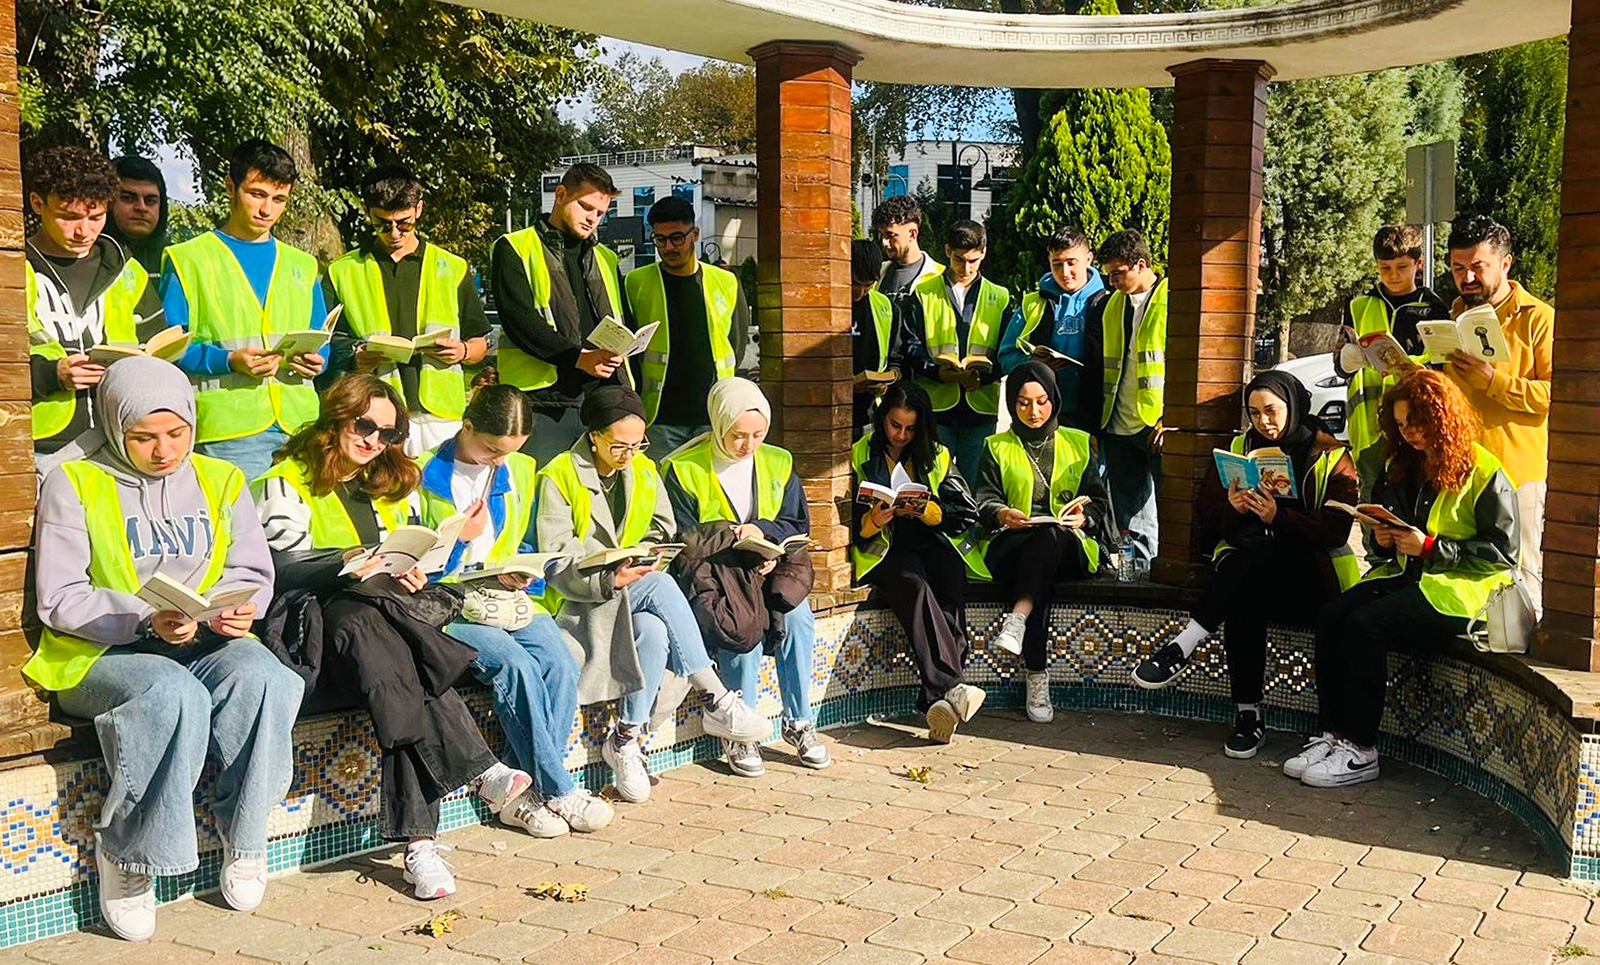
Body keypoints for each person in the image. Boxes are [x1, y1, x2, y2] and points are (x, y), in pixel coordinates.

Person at [24, 357, 296, 941]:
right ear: (114, 425)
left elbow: (250, 566)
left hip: (199, 639)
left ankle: (245, 837)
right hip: (97, 655)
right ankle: (128, 858)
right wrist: (145, 620)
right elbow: (60, 596)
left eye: (177, 433)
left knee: (267, 678)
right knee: (171, 693)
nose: (163, 450)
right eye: (142, 436)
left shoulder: (220, 479)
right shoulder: (74, 482)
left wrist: (238, 605)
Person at [252, 374, 530, 899]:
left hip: (380, 629)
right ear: (338, 415)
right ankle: (475, 772)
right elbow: (279, 568)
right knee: (374, 628)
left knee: (393, 661)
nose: (372, 440)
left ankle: (420, 843)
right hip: (314, 624)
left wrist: (414, 568)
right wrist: (346, 562)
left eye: (386, 432)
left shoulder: (386, 478)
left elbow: (410, 551)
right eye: (364, 426)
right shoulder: (286, 477)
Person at [536, 385, 769, 802]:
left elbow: (662, 530)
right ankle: (715, 696)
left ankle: (625, 739)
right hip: (582, 602)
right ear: (593, 436)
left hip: (632, 590)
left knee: (655, 632)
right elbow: (556, 560)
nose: (631, 453)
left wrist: (647, 555)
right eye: (620, 445)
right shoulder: (558, 475)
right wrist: (610, 575)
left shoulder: (642, 468)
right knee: (660, 586)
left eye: (639, 443)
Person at [1292, 370, 1518, 788]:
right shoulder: (1400, 466)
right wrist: (1383, 540)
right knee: (1332, 616)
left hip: (1462, 592)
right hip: (1408, 574)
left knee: (1366, 624)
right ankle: (1332, 736)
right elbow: (1391, 546)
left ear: (1442, 416)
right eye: (1399, 425)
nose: (1409, 433)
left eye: (1416, 422)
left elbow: (1502, 555)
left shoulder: (1485, 470)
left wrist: (1431, 548)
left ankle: (1361, 750)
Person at [415, 385, 614, 837]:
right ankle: (559, 789)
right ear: (466, 426)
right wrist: (459, 541)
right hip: (450, 604)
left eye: (510, 451)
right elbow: (417, 564)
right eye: (490, 449)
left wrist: (525, 573)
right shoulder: (422, 473)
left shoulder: (518, 469)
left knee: (561, 661)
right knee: (516, 666)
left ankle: (531, 794)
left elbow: (524, 543)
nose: (499, 461)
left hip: (507, 596)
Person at [1131, 371, 1360, 758]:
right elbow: (1208, 517)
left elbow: (1336, 531)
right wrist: (1233, 510)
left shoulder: (1330, 455)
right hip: (1253, 574)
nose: (1263, 423)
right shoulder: (1240, 447)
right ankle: (1247, 717)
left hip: (1310, 577)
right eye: (1254, 413)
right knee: (1244, 592)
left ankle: (1184, 646)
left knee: (1250, 566)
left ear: (1294, 405)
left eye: (1271, 411)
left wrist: (1279, 518)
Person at [662, 377, 830, 776]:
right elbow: (681, 537)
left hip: (770, 566)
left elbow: (796, 522)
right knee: (742, 627)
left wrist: (767, 537)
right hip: (717, 576)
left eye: (758, 434)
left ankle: (799, 721)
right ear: (718, 426)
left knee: (799, 618)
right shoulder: (682, 468)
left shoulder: (779, 461)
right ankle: (741, 732)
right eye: (738, 435)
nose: (748, 445)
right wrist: (734, 539)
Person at [161, 139, 330, 481]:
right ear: (230, 187)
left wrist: (317, 360)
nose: (267, 209)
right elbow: (166, 349)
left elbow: (320, 337)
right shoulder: (188, 259)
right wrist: (229, 360)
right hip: (228, 431)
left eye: (279, 199)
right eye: (256, 194)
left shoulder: (303, 264)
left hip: (302, 424)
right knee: (240, 533)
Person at [851, 382, 988, 742]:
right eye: (894, 425)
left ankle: (937, 702)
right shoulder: (858, 453)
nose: (900, 435)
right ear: (883, 420)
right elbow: (847, 526)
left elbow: (964, 513)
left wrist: (933, 512)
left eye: (910, 429)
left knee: (950, 575)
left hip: (930, 539)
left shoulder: (936, 454)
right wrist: (874, 521)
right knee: (913, 583)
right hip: (885, 548)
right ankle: (952, 687)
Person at [976, 362, 1112, 723]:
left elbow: (1099, 502)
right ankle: (1036, 675)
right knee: (1040, 568)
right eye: (1022, 403)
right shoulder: (996, 445)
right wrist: (1002, 514)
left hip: (1069, 543)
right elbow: (983, 499)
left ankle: (1018, 623)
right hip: (1012, 542)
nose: (1033, 412)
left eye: (1041, 402)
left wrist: (1085, 517)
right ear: (1011, 404)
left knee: (1050, 538)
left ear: (1055, 400)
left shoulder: (1079, 442)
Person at [325, 166, 491, 454]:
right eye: (382, 223)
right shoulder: (342, 271)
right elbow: (328, 343)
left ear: (419, 209)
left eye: (404, 223)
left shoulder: (452, 267)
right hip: (373, 417)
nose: (394, 232)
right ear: (367, 211)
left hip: (441, 416)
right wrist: (356, 356)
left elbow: (479, 345)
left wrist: (462, 351)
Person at [1443, 216, 1551, 617]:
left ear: (1505, 264)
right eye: (1457, 268)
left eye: (1477, 267)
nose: (1467, 277)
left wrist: (1493, 381)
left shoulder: (1539, 319)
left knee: (1523, 573)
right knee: (1469, 569)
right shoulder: (1451, 315)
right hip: (1462, 471)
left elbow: (1557, 396)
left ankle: (1523, 657)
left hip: (1517, 472)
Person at [25, 147, 164, 455]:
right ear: (37, 203)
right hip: (38, 444)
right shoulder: (12, 269)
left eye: (96, 216)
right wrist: (52, 375)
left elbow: (159, 350)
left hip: (122, 440)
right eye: (68, 216)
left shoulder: (128, 272)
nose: (83, 231)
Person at [491, 163, 627, 463]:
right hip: (544, 402)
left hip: (602, 400)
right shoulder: (514, 247)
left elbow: (621, 320)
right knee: (542, 497)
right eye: (586, 207)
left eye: (600, 213)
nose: (592, 218)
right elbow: (520, 321)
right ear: (561, 195)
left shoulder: (605, 256)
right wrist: (579, 358)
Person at [624, 195, 748, 453]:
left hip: (713, 417)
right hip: (659, 417)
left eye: (677, 237)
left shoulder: (725, 282)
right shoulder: (635, 282)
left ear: (695, 234)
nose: (669, 247)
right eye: (660, 239)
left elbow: (736, 345)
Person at [1333, 224, 1451, 488]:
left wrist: (1416, 367)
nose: (1393, 275)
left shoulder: (1433, 308)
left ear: (1418, 264)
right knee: (1372, 505)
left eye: (1402, 267)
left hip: (1417, 425)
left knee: (1415, 500)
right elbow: (1340, 366)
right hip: (1368, 427)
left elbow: (1444, 367)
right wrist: (1348, 358)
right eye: (1385, 268)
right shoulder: (1359, 306)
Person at [1084, 229, 1168, 571]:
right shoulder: (1109, 305)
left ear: (1142, 264)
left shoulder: (1172, 298)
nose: (1112, 280)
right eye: (1108, 273)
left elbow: (1186, 365)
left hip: (1157, 424)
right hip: (1117, 421)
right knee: (1128, 510)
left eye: (1118, 272)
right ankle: (1140, 571)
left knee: (1168, 504)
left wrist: (1170, 418)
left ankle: (1165, 568)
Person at [904, 220, 1012, 480]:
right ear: (947, 251)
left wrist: (983, 376)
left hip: (980, 407)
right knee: (931, 483)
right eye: (959, 259)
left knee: (975, 485)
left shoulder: (1001, 297)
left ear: (984, 252)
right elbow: (911, 346)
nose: (966, 268)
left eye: (973, 261)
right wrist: (938, 373)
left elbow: (1007, 353)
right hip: (935, 407)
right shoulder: (922, 293)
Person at [997, 226, 1106, 432]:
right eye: (1057, 264)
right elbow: (1006, 355)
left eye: (1071, 263)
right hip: (1042, 411)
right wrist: (1032, 363)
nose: (1065, 272)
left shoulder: (1107, 302)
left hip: (1094, 410)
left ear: (1089, 259)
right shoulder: (1032, 303)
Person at [850, 239, 899, 432]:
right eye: (854, 283)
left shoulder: (886, 307)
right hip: (829, 411)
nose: (859, 292)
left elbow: (897, 359)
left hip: (871, 415)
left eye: (868, 285)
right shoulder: (826, 305)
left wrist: (888, 380)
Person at [106, 155, 170, 279]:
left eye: (150, 201)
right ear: (108, 201)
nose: (141, 207)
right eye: (128, 198)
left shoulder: (172, 260)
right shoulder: (85, 258)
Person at [872, 195, 942, 300]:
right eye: (881, 235)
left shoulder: (940, 276)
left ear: (912, 234)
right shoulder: (876, 274)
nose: (884, 242)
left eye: (890, 235)